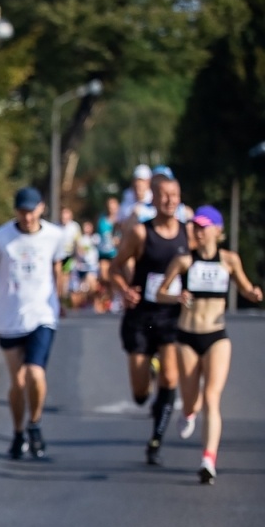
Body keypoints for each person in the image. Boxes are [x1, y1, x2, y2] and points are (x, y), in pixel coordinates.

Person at [153, 205, 262, 484]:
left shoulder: (229, 260)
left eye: (203, 227)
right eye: (196, 227)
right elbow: (160, 292)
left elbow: (245, 287)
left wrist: (253, 293)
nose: (198, 232)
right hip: (187, 337)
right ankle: (188, 412)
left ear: (218, 230)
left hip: (216, 336)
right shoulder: (184, 261)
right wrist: (177, 297)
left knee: (212, 397)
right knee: (191, 400)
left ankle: (208, 459)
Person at [0, 188, 68, 460]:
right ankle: (18, 432)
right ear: (16, 211)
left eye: (32, 210)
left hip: (42, 315)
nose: (27, 217)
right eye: (22, 211)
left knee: (34, 374)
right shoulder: (2, 237)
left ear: (41, 208)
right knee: (17, 382)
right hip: (9, 317)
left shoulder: (54, 236)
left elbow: (57, 267)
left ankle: (35, 423)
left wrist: (59, 296)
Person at [112, 173, 189, 465]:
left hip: (171, 316)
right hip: (142, 315)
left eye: (175, 195)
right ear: (153, 199)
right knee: (141, 393)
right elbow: (115, 268)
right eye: (164, 195)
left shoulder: (187, 234)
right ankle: (149, 382)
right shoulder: (141, 233)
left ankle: (156, 439)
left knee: (171, 377)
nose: (170, 201)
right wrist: (124, 290)